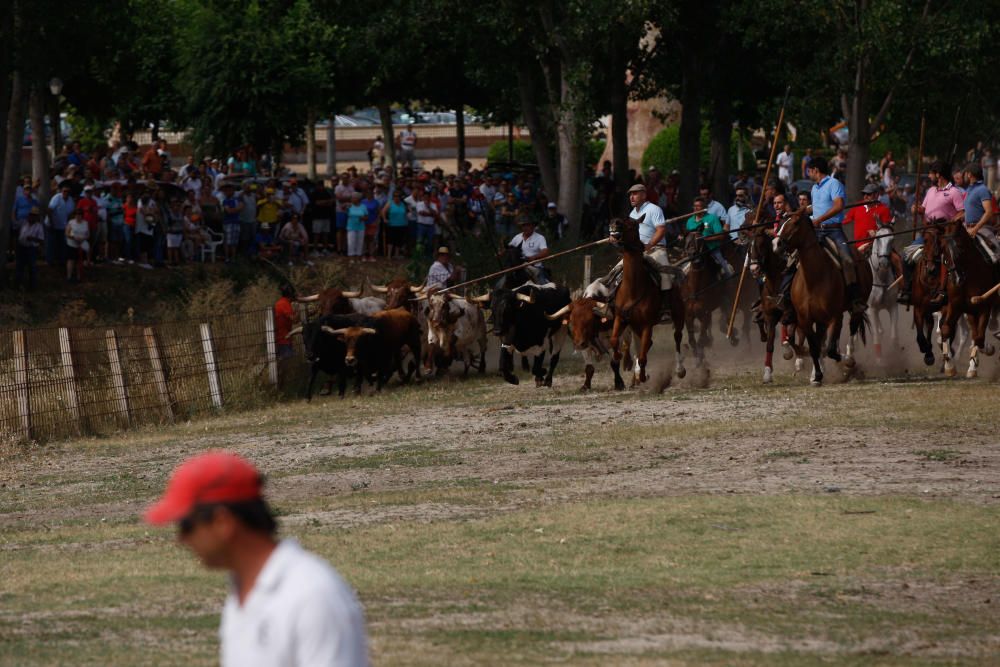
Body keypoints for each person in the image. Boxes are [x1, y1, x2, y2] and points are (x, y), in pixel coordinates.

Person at [143, 451, 369, 667]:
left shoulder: (312, 596)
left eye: (186, 526)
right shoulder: (242, 593)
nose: (181, 540)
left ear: (223, 523)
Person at [808, 156, 866, 314]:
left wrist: (819, 219)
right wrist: (797, 213)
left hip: (834, 231)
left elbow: (839, 205)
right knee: (794, 257)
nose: (808, 174)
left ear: (815, 170)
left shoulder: (834, 184)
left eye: (809, 171)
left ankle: (855, 299)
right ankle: (787, 297)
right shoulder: (814, 188)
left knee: (847, 259)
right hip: (817, 231)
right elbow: (815, 208)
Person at [686, 197, 733, 277]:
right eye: (694, 206)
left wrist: (706, 239)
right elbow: (688, 236)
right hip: (694, 251)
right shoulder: (690, 221)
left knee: (725, 267)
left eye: (699, 206)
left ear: (705, 208)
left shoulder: (712, 218)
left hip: (711, 249)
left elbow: (721, 236)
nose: (696, 208)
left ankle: (729, 282)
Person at [960, 163, 997, 262]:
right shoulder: (968, 190)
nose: (963, 176)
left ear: (969, 175)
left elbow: (989, 212)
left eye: (965, 173)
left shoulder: (982, 190)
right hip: (967, 229)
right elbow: (970, 211)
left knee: (995, 257)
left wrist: (975, 229)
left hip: (982, 230)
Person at [508, 218, 550, 284]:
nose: (525, 227)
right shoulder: (517, 237)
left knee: (543, 285)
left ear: (533, 226)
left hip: (535, 267)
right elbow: (508, 248)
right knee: (503, 283)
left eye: (528, 225)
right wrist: (500, 252)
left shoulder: (540, 238)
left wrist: (533, 258)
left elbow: (545, 252)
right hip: (518, 267)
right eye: (523, 225)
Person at [15, 208, 44, 291]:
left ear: (36, 217)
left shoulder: (39, 226)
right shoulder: (23, 223)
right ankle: (18, 285)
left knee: (32, 267)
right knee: (19, 267)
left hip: (31, 248)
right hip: (21, 247)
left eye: (34, 216)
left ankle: (32, 287)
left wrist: (32, 238)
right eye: (31, 215)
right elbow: (16, 231)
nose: (32, 217)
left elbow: (41, 240)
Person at [381, 189, 409, 259]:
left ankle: (396, 254)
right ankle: (389, 255)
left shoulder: (403, 204)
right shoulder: (390, 203)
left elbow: (406, 213)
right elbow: (383, 212)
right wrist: (385, 219)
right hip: (392, 225)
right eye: (395, 196)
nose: (396, 197)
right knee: (391, 241)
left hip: (402, 224)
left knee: (398, 241)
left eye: (398, 196)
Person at [274, 285, 299, 359]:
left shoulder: (281, 302)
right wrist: (297, 309)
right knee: (289, 362)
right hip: (283, 339)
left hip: (284, 338)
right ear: (290, 294)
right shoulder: (285, 304)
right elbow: (294, 319)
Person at [310, 179, 335, 255]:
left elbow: (331, 202)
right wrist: (326, 202)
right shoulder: (314, 193)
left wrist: (323, 202)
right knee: (316, 233)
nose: (320, 187)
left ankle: (325, 249)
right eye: (319, 185)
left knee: (326, 233)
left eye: (321, 185)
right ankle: (315, 250)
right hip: (317, 216)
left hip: (326, 216)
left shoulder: (326, 192)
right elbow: (317, 203)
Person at [64, 210, 90, 282]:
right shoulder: (71, 222)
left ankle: (79, 277)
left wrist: (83, 239)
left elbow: (88, 235)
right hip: (72, 244)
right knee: (71, 260)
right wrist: (74, 238)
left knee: (79, 261)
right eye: (76, 214)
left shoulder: (85, 223)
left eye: (80, 214)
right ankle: (69, 277)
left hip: (81, 244)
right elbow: (67, 233)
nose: (78, 216)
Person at [221, 183, 243, 263]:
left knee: (234, 242)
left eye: (230, 190)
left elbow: (242, 207)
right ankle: (227, 258)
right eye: (227, 190)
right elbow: (229, 211)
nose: (229, 192)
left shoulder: (237, 199)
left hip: (236, 222)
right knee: (227, 241)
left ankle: (233, 258)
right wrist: (236, 209)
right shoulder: (225, 201)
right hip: (228, 223)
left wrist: (233, 209)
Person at [414, 189, 440, 256]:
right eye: (424, 196)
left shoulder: (433, 204)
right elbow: (421, 213)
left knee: (430, 242)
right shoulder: (419, 204)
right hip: (421, 225)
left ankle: (428, 256)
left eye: (427, 197)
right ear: (422, 197)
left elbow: (436, 214)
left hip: (430, 226)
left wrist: (428, 207)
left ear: (430, 197)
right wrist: (431, 214)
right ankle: (419, 255)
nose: (426, 198)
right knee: (420, 241)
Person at [345, 192, 368, 261]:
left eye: (354, 198)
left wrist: (363, 218)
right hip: (351, 227)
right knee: (351, 242)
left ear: (358, 199)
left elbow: (366, 217)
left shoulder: (363, 206)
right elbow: (345, 211)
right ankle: (351, 257)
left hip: (361, 227)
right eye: (352, 198)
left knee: (360, 242)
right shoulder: (349, 205)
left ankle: (358, 257)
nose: (352, 199)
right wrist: (346, 208)